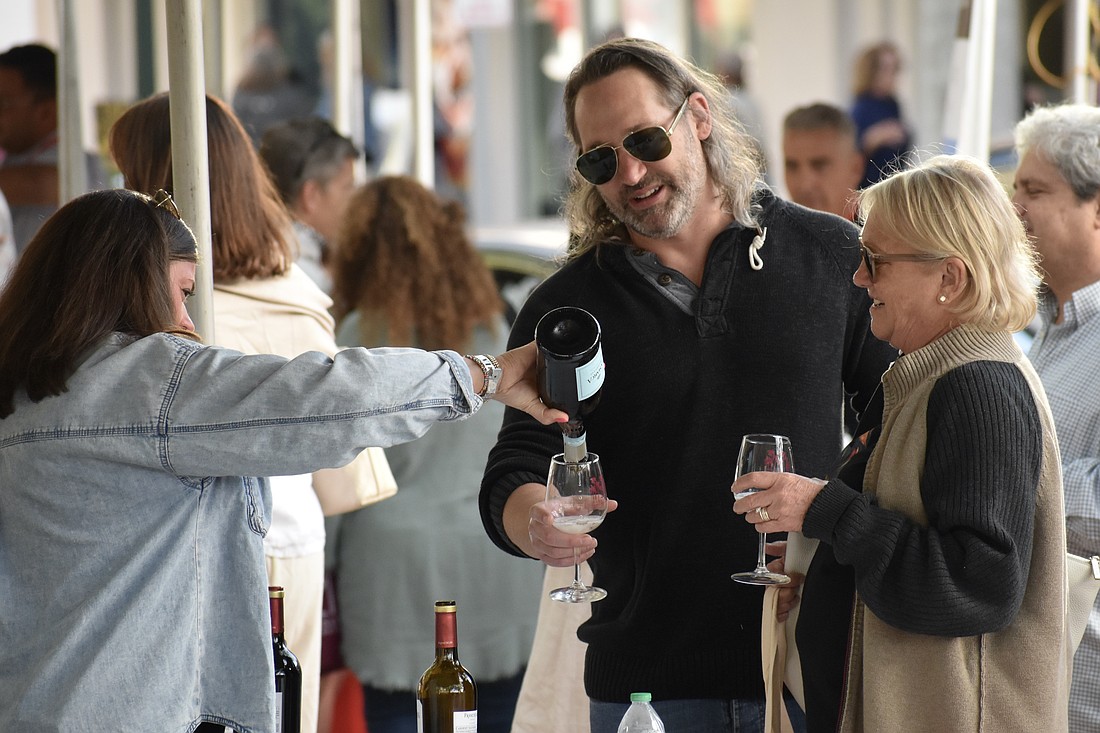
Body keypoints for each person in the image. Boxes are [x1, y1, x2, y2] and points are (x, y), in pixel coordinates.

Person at [0, 187, 564, 732]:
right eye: (180, 291)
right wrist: (480, 374)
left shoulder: (17, 397)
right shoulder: (152, 385)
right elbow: (324, 397)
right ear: (127, 288)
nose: (187, 320)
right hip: (130, 708)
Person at [477, 37, 897, 733]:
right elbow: (516, 467)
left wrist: (833, 532)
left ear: (698, 116)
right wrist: (536, 523)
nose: (631, 172)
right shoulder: (568, 307)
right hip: (646, 691)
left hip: (807, 669)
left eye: (645, 138)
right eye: (601, 158)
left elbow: (896, 427)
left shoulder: (830, 256)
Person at [735, 155, 1071, 732]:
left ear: (950, 278)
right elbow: (906, 539)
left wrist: (822, 509)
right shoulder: (935, 376)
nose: (859, 278)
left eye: (874, 261)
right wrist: (821, 575)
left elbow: (977, 585)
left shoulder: (977, 387)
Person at [108, 91, 385, 733]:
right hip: (290, 539)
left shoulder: (153, 311)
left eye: (126, 175)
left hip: (180, 550)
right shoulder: (293, 293)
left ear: (152, 182)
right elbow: (344, 467)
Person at [327, 176, 544, 733]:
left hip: (390, 565)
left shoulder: (357, 335)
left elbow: (338, 467)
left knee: (400, 715)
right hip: (493, 551)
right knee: (498, 714)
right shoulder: (494, 330)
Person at [1011, 103, 1100, 733]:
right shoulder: (1051, 330)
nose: (1013, 208)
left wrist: (995, 481)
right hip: (1044, 681)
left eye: (1035, 191)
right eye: (1013, 188)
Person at [0, 43, 106, 251]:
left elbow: (41, 184)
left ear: (46, 112)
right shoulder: (16, 157)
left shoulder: (76, 160)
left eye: (2, 103)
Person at [260, 116, 360, 293]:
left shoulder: (255, 253)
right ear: (311, 195)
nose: (356, 200)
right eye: (348, 188)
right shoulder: (311, 283)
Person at [782, 102, 865, 221]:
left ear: (855, 168)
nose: (805, 185)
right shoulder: (766, 235)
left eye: (820, 166)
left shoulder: (887, 235)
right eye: (792, 166)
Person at [849, 41, 913, 189]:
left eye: (895, 69)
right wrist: (873, 138)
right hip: (868, 188)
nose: (892, 75)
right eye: (886, 69)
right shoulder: (861, 107)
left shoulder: (892, 105)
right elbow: (849, 153)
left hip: (893, 185)